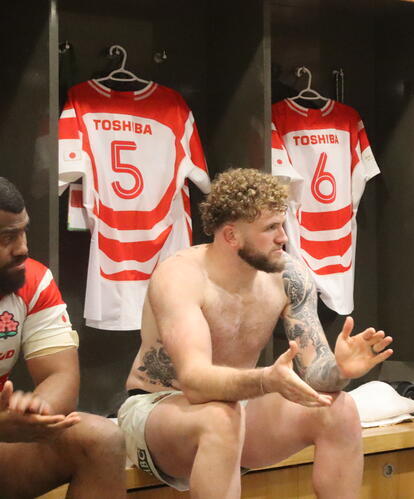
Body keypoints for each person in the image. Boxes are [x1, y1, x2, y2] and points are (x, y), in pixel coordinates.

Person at [118, 168, 393, 499]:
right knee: (220, 417)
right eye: (270, 228)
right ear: (231, 236)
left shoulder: (288, 274)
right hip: (159, 411)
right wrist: (265, 380)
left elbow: (316, 374)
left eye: (282, 224)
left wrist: (340, 370)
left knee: (339, 409)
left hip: (237, 406)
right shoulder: (181, 276)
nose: (283, 237)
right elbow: (194, 381)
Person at [0, 176, 126, 499]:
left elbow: (60, 375)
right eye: (7, 237)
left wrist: (33, 412)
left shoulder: (33, 280)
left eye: (24, 231)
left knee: (100, 440)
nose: (23, 248)